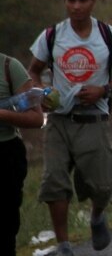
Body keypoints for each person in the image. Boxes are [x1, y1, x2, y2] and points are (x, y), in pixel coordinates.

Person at [28, 0, 112, 255]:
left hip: (93, 119)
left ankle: (97, 216)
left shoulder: (108, 35)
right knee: (54, 182)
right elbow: (33, 70)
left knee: (102, 186)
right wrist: (42, 94)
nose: (76, 6)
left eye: (82, 0)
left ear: (93, 2)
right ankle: (64, 244)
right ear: (65, 1)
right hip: (59, 121)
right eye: (71, 0)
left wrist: (104, 90)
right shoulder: (52, 35)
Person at [1, 53, 44, 255]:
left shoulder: (9, 67)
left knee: (6, 226)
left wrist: (2, 114)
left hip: (6, 155)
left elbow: (36, 118)